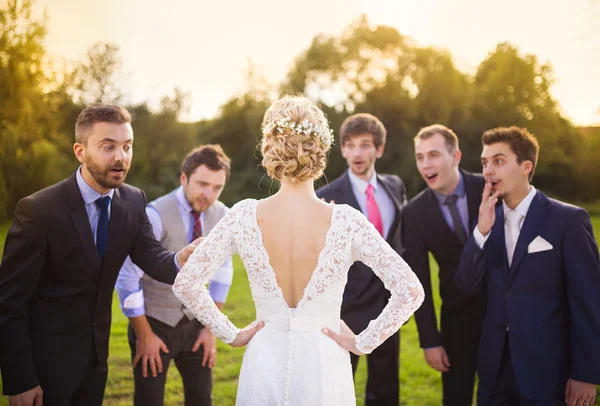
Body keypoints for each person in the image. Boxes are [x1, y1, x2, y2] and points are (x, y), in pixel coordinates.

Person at [172, 95, 424, 406]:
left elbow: (186, 282)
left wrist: (231, 333)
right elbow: (411, 290)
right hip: (324, 359)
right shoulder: (346, 221)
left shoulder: (242, 215)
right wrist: (362, 342)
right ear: (322, 150)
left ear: (270, 147)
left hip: (265, 357)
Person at [0, 105, 197, 406]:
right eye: (109, 147)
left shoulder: (133, 200)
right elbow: (9, 303)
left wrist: (177, 260)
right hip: (44, 368)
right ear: (80, 151)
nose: (121, 156)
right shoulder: (38, 211)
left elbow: (149, 253)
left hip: (95, 363)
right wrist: (21, 380)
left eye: (127, 146)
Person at [455, 126, 600, 405]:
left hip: (548, 370)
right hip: (494, 369)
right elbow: (466, 285)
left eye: (498, 161)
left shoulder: (568, 220)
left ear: (526, 166)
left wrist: (586, 373)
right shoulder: (487, 221)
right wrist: (480, 233)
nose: (488, 171)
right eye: (485, 163)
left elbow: (589, 301)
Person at [116, 145, 234, 406]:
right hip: (154, 323)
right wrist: (144, 335)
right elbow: (127, 277)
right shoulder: (155, 214)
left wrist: (209, 328)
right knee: (149, 400)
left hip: (196, 324)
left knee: (202, 399)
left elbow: (223, 274)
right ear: (184, 178)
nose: (208, 194)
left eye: (217, 188)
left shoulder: (223, 216)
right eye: (202, 184)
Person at [316, 113, 407, 405]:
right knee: (340, 385)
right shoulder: (325, 196)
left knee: (386, 384)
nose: (357, 152)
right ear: (342, 149)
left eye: (365, 145)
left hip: (387, 306)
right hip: (346, 306)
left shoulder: (395, 187)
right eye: (351, 145)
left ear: (378, 149)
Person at [402, 124, 486, 406]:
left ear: (456, 156)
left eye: (434, 155)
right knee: (456, 397)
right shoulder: (413, 213)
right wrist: (429, 340)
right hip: (456, 321)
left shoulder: (488, 187)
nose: (426, 164)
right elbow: (418, 280)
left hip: (505, 314)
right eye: (420, 157)